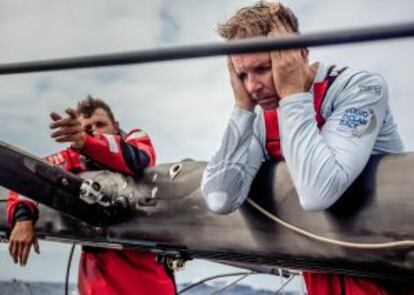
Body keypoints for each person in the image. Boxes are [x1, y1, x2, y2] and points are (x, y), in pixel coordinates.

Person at [201, 2, 405, 294]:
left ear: (301, 54)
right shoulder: (261, 115)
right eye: (242, 75)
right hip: (323, 271)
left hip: (390, 272)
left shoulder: (361, 88)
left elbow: (317, 194)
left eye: (262, 68)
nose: (253, 87)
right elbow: (220, 199)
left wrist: (292, 95)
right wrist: (242, 110)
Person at [7, 96, 176, 295]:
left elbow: (140, 161)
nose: (94, 130)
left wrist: (86, 141)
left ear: (116, 126)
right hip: (96, 282)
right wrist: (23, 218)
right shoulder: (70, 158)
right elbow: (29, 175)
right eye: (87, 128)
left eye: (100, 124)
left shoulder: (135, 139)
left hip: (147, 282)